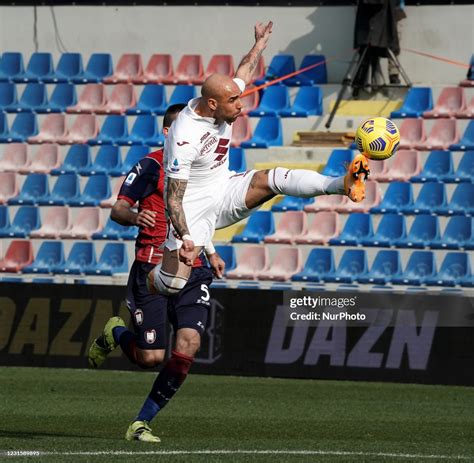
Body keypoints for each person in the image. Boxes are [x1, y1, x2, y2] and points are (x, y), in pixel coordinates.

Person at [148, 21, 370, 297]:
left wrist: (259, 45)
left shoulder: (220, 99)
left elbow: (243, 71)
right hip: (191, 209)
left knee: (272, 178)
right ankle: (148, 278)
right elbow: (173, 199)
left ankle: (343, 183)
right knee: (171, 286)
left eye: (239, 97)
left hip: (224, 188)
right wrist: (187, 237)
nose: (241, 104)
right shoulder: (185, 136)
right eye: (234, 100)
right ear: (214, 104)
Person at [88, 104, 225, 443]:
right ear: (169, 132)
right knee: (150, 357)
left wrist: (211, 250)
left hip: (194, 269)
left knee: (189, 342)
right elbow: (118, 209)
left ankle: (141, 423)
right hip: (153, 267)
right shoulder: (151, 164)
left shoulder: (203, 167)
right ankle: (115, 334)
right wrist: (135, 217)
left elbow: (201, 216)